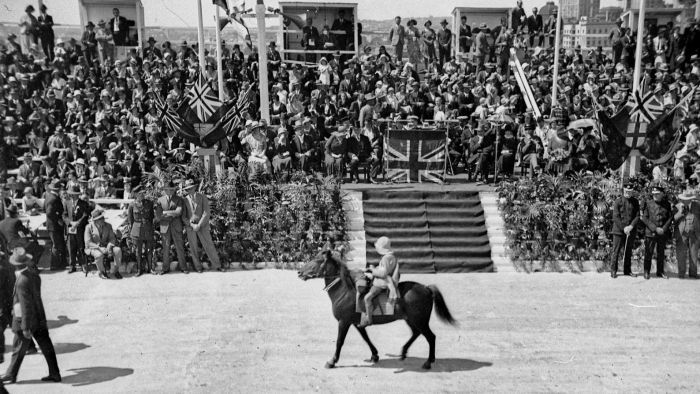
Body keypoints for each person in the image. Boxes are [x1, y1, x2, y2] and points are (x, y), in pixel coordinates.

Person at [1, 249, 61, 385]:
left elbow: (26, 306)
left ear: (15, 265)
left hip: (26, 320)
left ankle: (11, 374)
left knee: (18, 348)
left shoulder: (21, 281)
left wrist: (25, 327)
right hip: (39, 317)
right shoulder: (34, 275)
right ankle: (55, 373)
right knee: (46, 346)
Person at [181, 179, 223, 273]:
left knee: (209, 245)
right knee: (193, 247)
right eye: (187, 189)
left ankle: (217, 265)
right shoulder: (185, 200)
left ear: (195, 188)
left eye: (191, 188)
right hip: (190, 227)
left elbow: (206, 212)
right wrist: (191, 225)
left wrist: (199, 225)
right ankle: (198, 267)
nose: (189, 190)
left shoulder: (202, 197)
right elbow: (184, 217)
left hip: (202, 225)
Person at [359, 236, 399, 327]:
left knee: (367, 298)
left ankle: (369, 319)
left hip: (382, 283)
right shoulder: (391, 256)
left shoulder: (385, 258)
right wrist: (374, 268)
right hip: (387, 280)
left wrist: (372, 271)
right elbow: (385, 269)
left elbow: (383, 273)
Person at [640, 186, 673, 280]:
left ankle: (660, 272)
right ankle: (646, 271)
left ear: (662, 194)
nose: (655, 195)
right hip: (651, 232)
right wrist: (655, 228)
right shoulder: (648, 203)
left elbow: (670, 218)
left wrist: (664, 228)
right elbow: (645, 218)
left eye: (657, 194)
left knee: (661, 253)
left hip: (662, 232)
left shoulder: (667, 204)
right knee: (648, 253)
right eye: (654, 194)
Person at [155, 181, 188, 275]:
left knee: (180, 247)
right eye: (167, 189)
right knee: (165, 247)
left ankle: (183, 267)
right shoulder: (160, 200)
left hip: (176, 226)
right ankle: (165, 268)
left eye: (171, 190)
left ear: (174, 190)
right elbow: (158, 215)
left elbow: (179, 212)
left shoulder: (179, 199)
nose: (169, 191)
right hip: (165, 227)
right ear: (164, 190)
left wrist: (165, 213)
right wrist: (171, 213)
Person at [609, 183, 640, 278]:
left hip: (630, 230)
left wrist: (631, 226)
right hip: (618, 231)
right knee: (616, 251)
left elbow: (637, 216)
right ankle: (613, 270)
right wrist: (624, 228)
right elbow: (615, 216)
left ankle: (627, 270)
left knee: (628, 251)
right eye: (626, 191)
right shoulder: (618, 201)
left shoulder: (635, 202)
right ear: (624, 190)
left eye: (630, 192)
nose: (628, 193)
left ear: (632, 192)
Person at [84, 208, 123, 280]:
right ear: (95, 221)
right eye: (100, 218)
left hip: (106, 246)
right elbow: (88, 242)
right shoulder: (89, 227)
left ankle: (116, 271)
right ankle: (101, 272)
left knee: (118, 250)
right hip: (93, 247)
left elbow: (112, 238)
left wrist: (110, 245)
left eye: (102, 217)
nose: (103, 219)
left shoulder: (108, 226)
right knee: (99, 254)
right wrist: (99, 248)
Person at [127, 186, 155, 276]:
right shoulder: (132, 205)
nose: (142, 195)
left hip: (147, 228)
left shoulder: (149, 203)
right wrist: (131, 231)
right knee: (138, 251)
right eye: (140, 194)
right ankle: (139, 270)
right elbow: (130, 220)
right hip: (137, 229)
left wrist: (151, 228)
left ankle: (150, 269)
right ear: (135, 194)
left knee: (149, 249)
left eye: (143, 193)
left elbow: (151, 217)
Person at [674, 190, 700, 279]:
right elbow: (673, 219)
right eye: (682, 199)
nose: (683, 201)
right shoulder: (677, 206)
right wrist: (680, 212)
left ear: (690, 200)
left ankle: (693, 273)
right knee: (681, 254)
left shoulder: (697, 205)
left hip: (695, 233)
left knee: (694, 254)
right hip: (681, 234)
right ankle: (681, 274)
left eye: (686, 199)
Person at [44, 179, 67, 271]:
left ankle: (60, 263)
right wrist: (58, 219)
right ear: (58, 189)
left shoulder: (49, 196)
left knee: (58, 244)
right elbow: (49, 213)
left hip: (53, 225)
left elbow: (44, 209)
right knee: (56, 245)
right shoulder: (53, 198)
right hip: (54, 226)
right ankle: (54, 265)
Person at [65, 186, 89, 274]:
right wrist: (71, 222)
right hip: (71, 229)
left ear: (78, 195)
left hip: (80, 229)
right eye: (71, 194)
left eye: (75, 194)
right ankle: (72, 266)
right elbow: (64, 215)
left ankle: (83, 265)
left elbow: (85, 215)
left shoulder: (83, 203)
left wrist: (78, 223)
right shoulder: (66, 203)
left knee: (81, 247)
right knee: (71, 247)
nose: (72, 196)